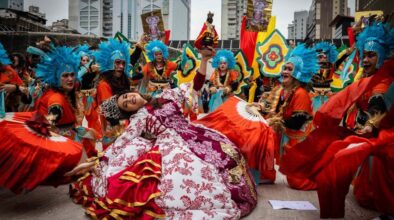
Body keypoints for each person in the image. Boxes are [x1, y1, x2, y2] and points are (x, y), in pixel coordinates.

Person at [67, 49, 257, 219]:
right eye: (126, 104)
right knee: (197, 176)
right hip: (174, 145)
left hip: (195, 133)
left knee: (227, 152)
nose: (130, 99)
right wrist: (96, 162)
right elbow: (121, 142)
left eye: (127, 96)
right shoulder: (139, 118)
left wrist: (205, 60)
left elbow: (195, 86)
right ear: (129, 112)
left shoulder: (166, 96)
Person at [279, 22, 394, 218]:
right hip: (368, 131)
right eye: (364, 55)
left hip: (384, 136)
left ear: (383, 57)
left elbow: (377, 101)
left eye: (371, 55)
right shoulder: (367, 78)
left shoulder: (383, 81)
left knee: (340, 158)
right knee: (333, 158)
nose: (365, 60)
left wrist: (369, 124)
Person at [0, 46, 84, 193]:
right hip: (63, 140)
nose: (70, 79)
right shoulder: (56, 97)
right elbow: (54, 111)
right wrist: (51, 120)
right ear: (57, 77)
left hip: (70, 135)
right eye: (65, 75)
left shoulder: (62, 90)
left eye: (72, 74)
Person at [257, 43, 319, 190]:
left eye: (289, 69)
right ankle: (266, 173)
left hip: (299, 140)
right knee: (262, 134)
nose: (284, 71)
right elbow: (272, 108)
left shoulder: (300, 94)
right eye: (284, 68)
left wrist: (274, 120)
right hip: (287, 134)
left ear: (298, 73)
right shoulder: (283, 91)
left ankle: (322, 181)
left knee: (297, 182)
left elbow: (297, 122)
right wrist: (258, 108)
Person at [93, 38, 143, 149]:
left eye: (123, 63)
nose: (121, 66)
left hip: (126, 128)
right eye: (117, 63)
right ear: (110, 64)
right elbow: (109, 111)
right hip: (113, 132)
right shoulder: (104, 85)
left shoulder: (123, 80)